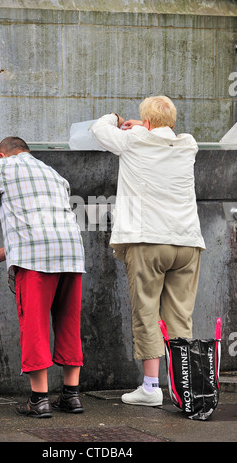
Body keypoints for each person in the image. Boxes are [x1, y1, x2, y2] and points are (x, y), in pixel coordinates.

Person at [0, 136, 85, 418]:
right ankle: (72, 396)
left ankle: (39, 400)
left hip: (35, 261)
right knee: (68, 320)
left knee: (34, 323)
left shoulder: (6, 166)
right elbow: (45, 221)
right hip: (72, 253)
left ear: (2, 155)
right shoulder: (54, 174)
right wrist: (5, 252)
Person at [91, 96, 205, 407]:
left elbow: (98, 130)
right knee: (180, 316)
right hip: (187, 242)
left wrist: (116, 117)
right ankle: (186, 390)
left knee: (147, 313)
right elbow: (165, 131)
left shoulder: (132, 141)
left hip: (148, 240)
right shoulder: (188, 145)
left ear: (148, 123)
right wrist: (149, 124)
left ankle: (151, 388)